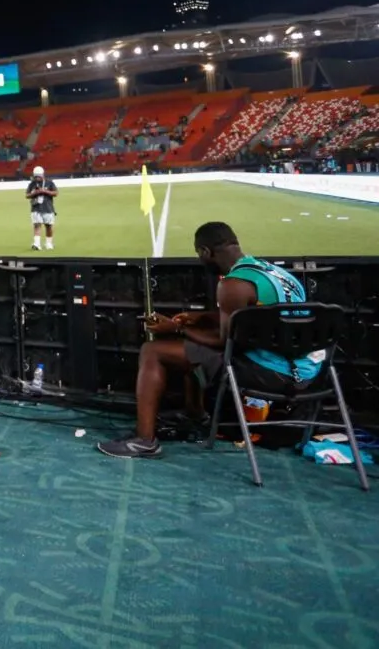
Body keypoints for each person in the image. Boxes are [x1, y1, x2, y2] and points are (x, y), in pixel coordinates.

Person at [99, 221, 319, 459]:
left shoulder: (232, 285)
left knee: (153, 350)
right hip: (307, 372)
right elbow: (250, 318)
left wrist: (176, 329)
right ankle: (195, 415)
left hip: (273, 375)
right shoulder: (276, 273)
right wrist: (199, 318)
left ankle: (144, 441)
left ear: (205, 251)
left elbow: (225, 342)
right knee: (191, 349)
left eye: (198, 254)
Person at [26, 165, 58, 250]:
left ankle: (48, 243)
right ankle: (37, 244)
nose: (37, 178)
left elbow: (56, 193)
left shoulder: (49, 182)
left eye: (39, 176)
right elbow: (27, 195)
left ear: (43, 175)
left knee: (48, 226)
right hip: (36, 207)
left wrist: (45, 191)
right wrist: (35, 193)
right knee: (37, 225)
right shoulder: (32, 184)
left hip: (48, 207)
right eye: (36, 177)